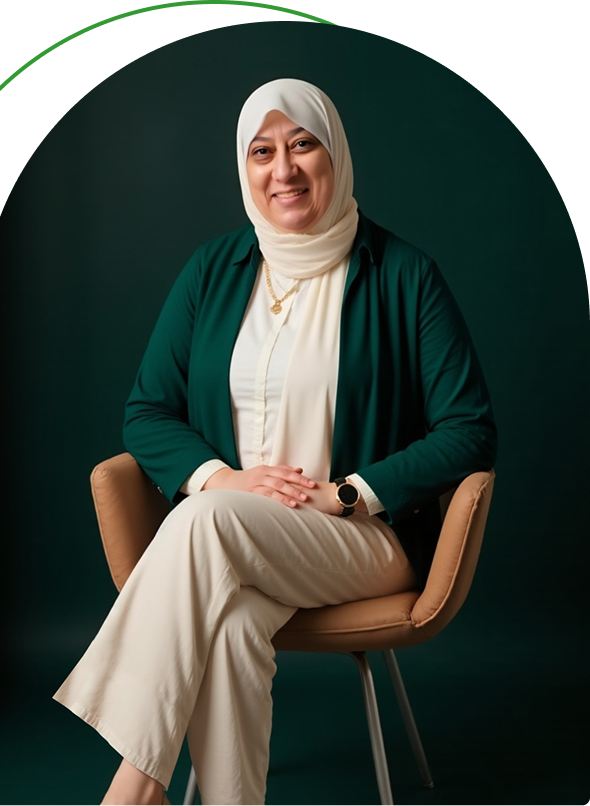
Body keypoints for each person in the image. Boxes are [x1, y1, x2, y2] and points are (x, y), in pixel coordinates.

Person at [53, 78, 497, 806]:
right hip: (235, 536)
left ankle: (134, 785)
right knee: (228, 623)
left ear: (335, 154)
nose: (282, 170)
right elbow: (148, 411)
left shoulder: (406, 276)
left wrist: (350, 493)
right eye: (261, 152)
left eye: (302, 145)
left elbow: (469, 430)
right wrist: (221, 478)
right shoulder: (211, 271)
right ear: (243, 166)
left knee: (200, 524)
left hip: (362, 540)